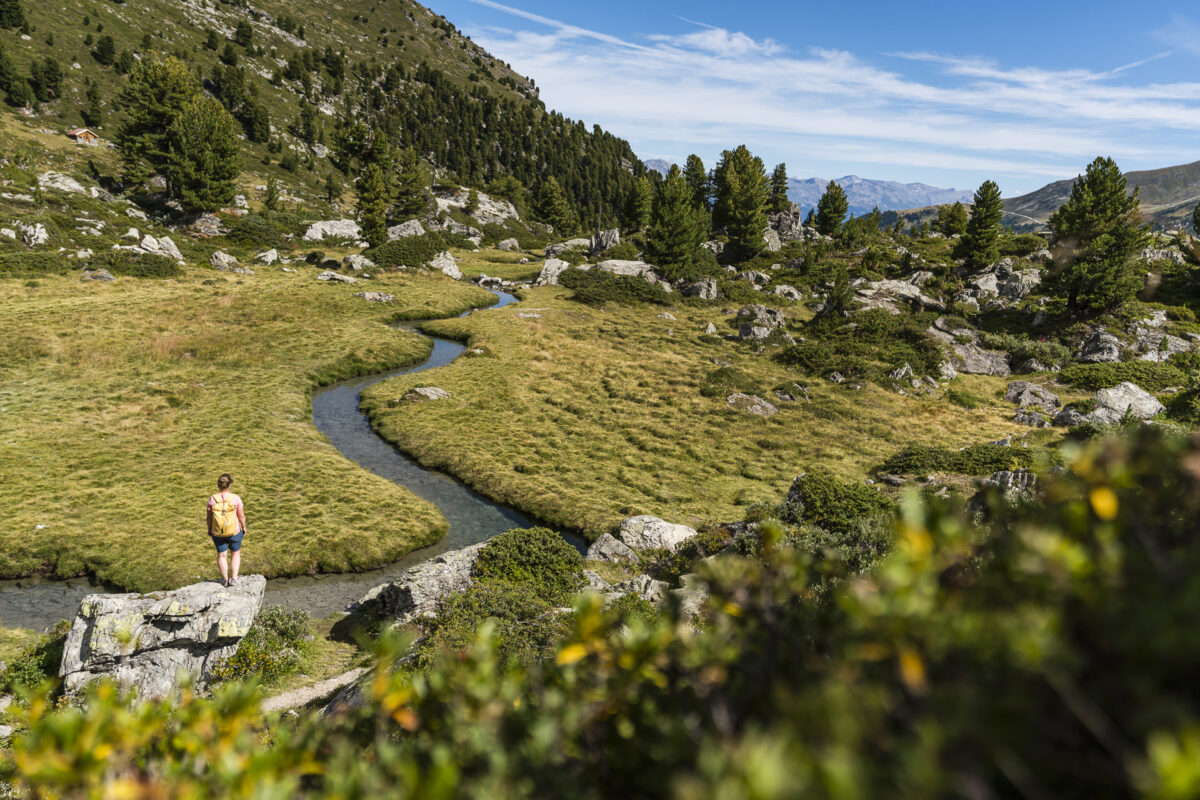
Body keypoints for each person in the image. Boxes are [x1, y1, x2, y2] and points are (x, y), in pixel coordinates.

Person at [206, 473, 246, 587]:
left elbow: (209, 517)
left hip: (217, 533)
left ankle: (225, 580)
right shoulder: (236, 498)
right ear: (230, 484)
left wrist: (210, 529)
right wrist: (244, 527)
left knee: (222, 555)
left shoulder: (212, 499)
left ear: (219, 484)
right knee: (235, 554)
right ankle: (234, 579)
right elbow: (241, 516)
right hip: (235, 531)